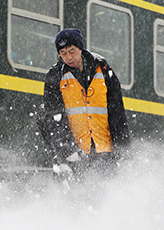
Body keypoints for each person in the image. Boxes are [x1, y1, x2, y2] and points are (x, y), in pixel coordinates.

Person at [38, 28, 130, 177]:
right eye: (63, 53)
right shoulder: (55, 76)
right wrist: (67, 154)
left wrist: (123, 150)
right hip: (77, 155)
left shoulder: (104, 71)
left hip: (105, 151)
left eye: (72, 51)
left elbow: (118, 115)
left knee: (108, 197)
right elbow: (54, 119)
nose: (68, 57)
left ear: (80, 48)